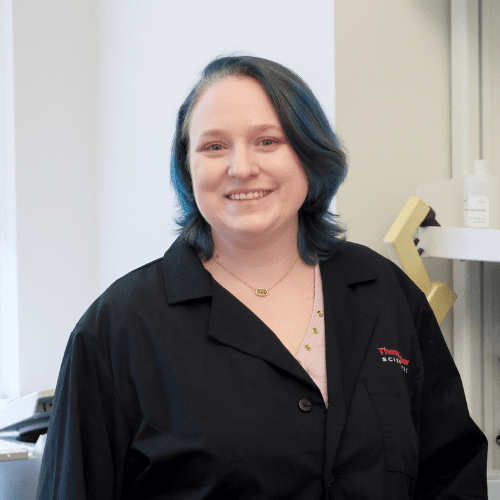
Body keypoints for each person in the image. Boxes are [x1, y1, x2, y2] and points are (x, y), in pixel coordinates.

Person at [36, 54, 488, 499]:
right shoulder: (119, 328)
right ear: (187, 167)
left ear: (309, 153)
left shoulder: (383, 290)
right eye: (214, 147)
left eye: (268, 141)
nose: (242, 168)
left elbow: (452, 473)